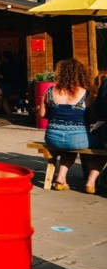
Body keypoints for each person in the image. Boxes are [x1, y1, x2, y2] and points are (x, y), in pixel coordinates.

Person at [39, 59, 102, 193]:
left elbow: (42, 114)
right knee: (103, 145)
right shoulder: (87, 94)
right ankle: (91, 181)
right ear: (81, 74)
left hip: (52, 137)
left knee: (69, 148)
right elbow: (92, 118)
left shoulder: (50, 92)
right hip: (78, 139)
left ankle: (60, 179)